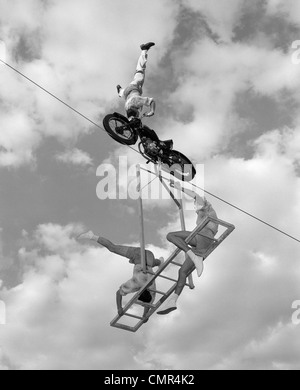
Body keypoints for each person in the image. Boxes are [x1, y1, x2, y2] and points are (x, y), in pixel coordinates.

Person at [157, 184, 218, 315]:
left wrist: (179, 187)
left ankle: (191, 254)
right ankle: (173, 300)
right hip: (203, 244)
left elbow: (196, 195)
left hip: (204, 236)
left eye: (196, 205)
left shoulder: (206, 207)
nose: (195, 207)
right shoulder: (203, 214)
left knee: (171, 236)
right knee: (182, 271)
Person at [77, 230, 163, 322]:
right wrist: (119, 308)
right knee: (113, 248)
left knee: (113, 248)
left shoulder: (152, 287)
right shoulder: (135, 284)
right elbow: (118, 293)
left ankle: (159, 262)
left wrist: (145, 315)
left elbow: (148, 304)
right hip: (138, 257)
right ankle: (92, 236)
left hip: (148, 257)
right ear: (139, 293)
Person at [117, 42, 156, 121]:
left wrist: (152, 111)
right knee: (124, 94)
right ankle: (120, 91)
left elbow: (152, 101)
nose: (139, 114)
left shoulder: (136, 102)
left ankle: (144, 50)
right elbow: (129, 120)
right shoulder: (127, 109)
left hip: (134, 87)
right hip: (126, 94)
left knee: (140, 69)